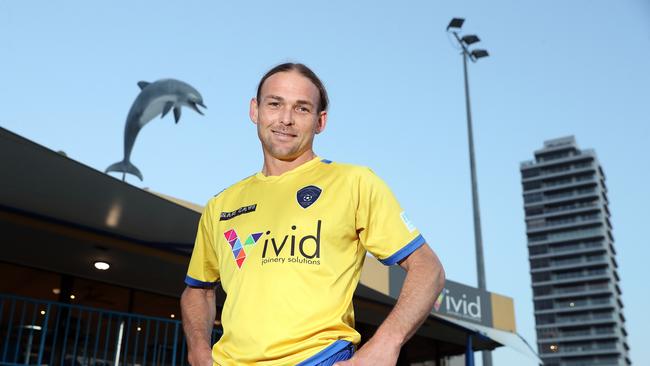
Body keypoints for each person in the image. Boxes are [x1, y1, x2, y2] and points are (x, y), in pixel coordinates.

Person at [180, 63, 445, 366]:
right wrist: (199, 350)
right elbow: (197, 291)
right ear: (255, 110)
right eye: (275, 104)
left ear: (320, 121)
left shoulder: (353, 182)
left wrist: (386, 345)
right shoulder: (221, 205)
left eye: (302, 109)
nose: (286, 119)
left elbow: (428, 269)